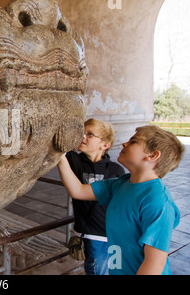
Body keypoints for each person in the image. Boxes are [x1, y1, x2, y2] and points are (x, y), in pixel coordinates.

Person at [57, 125, 184, 275]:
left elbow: (154, 264)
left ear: (152, 155)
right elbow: (78, 190)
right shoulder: (121, 183)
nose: (124, 143)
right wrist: (58, 155)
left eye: (133, 141)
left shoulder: (157, 201)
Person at [66, 118, 125, 275]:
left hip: (112, 235)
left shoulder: (116, 170)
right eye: (82, 133)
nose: (83, 137)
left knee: (114, 270)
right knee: (95, 269)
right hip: (91, 234)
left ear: (105, 144)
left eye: (90, 134)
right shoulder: (74, 160)